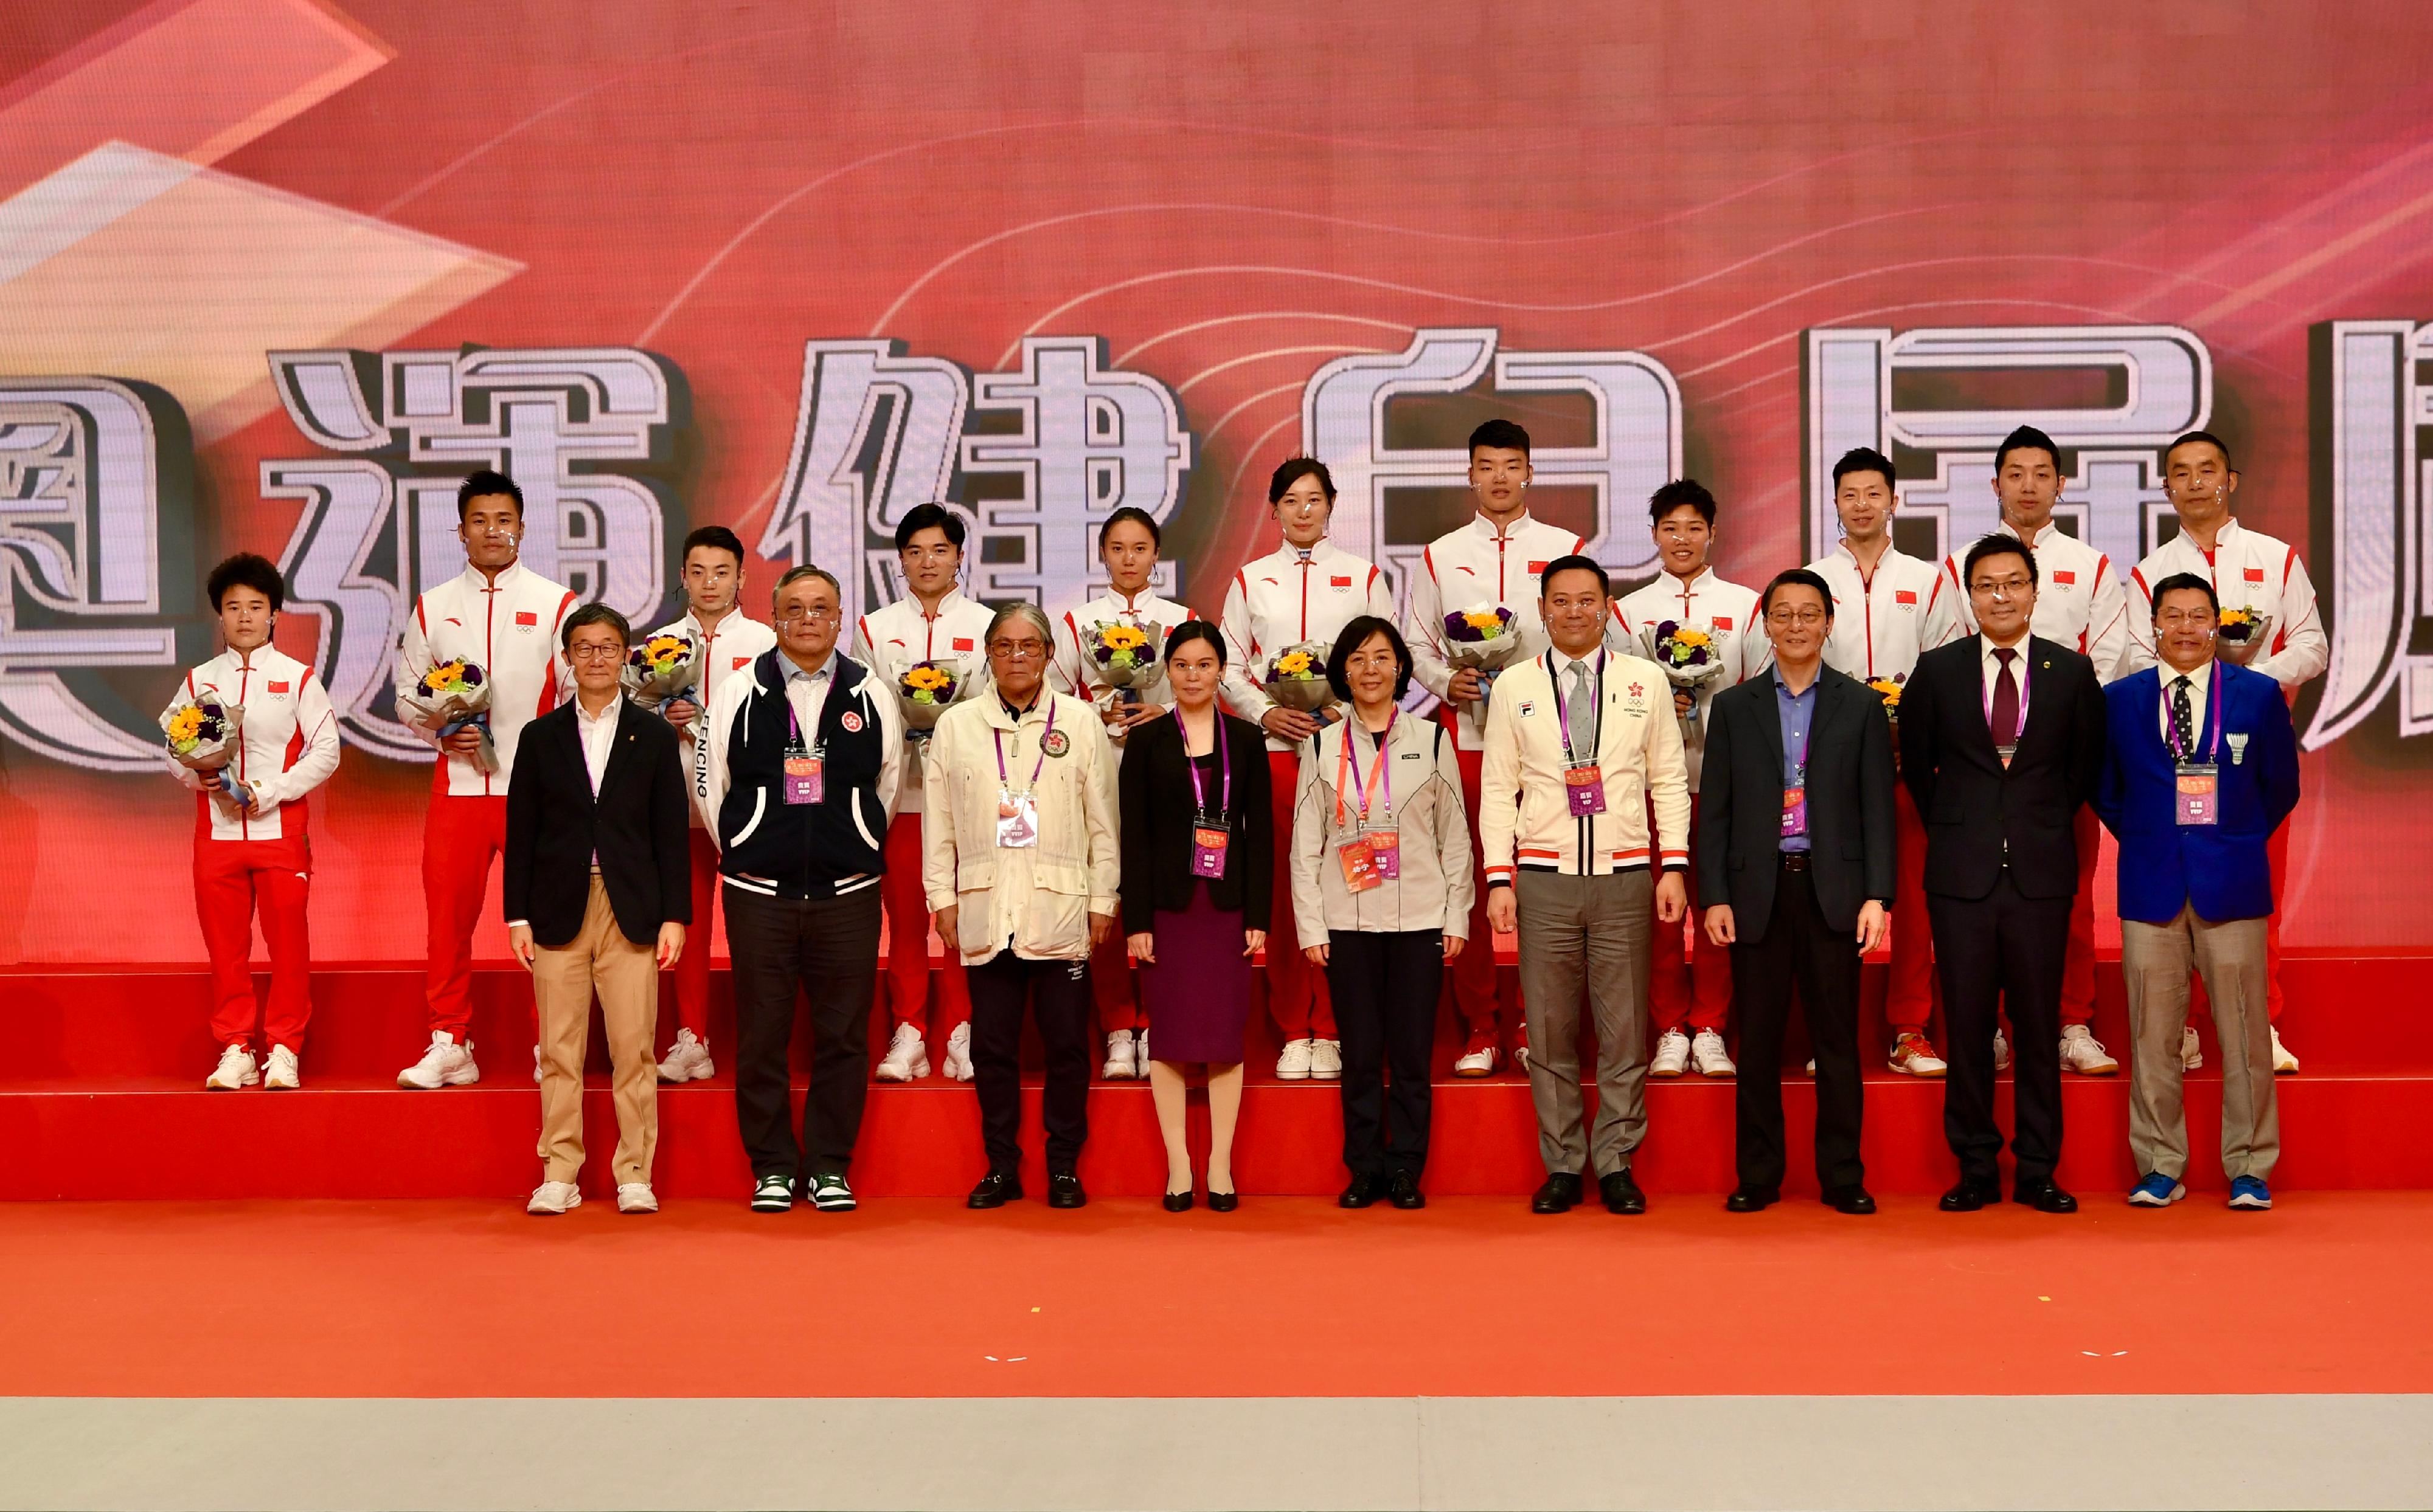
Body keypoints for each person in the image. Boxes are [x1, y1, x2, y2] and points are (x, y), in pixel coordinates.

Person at [1480, 556, 1691, 1216]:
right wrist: (1498, 877)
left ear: (1607, 607)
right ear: (1542, 609)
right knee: (1548, 1029)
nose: (1575, 611)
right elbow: (1496, 787)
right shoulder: (1514, 684)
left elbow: (1668, 777)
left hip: (1626, 875)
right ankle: (1564, 1162)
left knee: (1625, 1026)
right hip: (1542, 878)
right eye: (1561, 601)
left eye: (1588, 600)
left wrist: (1674, 865)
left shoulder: (1643, 680)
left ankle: (1617, 1160)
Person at [1903, 533, 2108, 1214]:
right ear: (1969, 594)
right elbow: (1919, 767)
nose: (2000, 595)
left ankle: (2039, 1169)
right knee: (1965, 1028)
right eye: (1986, 584)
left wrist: (2030, 824)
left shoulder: (2070, 673)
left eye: (2013, 582)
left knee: (2037, 1028)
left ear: (2034, 589)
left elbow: (2081, 771)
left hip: (2040, 877)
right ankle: (1975, 1167)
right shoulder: (1935, 671)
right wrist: (1968, 828)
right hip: (1960, 879)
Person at [695, 565, 903, 1213]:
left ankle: (830, 1165)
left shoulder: (871, 690)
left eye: (821, 608)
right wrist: (750, 842)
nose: (808, 618)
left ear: (839, 617)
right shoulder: (737, 690)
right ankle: (774, 1166)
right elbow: (710, 785)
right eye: (795, 608)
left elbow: (888, 784)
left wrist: (858, 839)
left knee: (844, 1035)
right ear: (775, 616)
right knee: (762, 1034)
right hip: (759, 894)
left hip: (848, 892)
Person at [2096, 574, 2299, 1212]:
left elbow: (2280, 787)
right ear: (2152, 625)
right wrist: (2155, 836)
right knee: (2151, 1033)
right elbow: (2105, 788)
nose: (2185, 627)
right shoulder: (2120, 699)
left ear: (2217, 623)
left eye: (2198, 615)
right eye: (2172, 615)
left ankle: (2248, 1166)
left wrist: (2230, 837)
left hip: (2232, 882)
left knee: (2243, 1030)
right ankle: (2159, 1163)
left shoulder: (2258, 695)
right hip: (2150, 881)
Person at [2123, 431, 2324, 1075]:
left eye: (2205, 470)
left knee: (2253, 885)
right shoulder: (2147, 572)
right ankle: (2181, 1027)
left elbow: (2312, 646)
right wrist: (2189, 672)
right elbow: (2130, 656)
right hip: (2168, 752)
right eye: (2179, 473)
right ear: (2166, 487)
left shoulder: (2276, 558)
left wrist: (2245, 682)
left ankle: (2256, 1021)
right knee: (2172, 890)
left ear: (2229, 479)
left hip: (2247, 750)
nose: (2194, 482)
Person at [1699, 570, 1894, 1215]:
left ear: (1829, 623)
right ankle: (1758, 1173)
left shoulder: (1861, 705)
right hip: (1757, 892)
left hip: (1832, 890)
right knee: (1755, 1041)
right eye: (1782, 614)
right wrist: (1714, 895)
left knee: (1836, 1040)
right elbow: (1716, 811)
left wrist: (1877, 895)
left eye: (1808, 614)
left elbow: (1877, 809)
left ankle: (1842, 1175)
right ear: (1764, 624)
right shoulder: (1733, 707)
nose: (1795, 626)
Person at [1940, 426, 2132, 1078]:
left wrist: (2062, 750)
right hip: (1977, 775)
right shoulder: (1958, 563)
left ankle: (2071, 1020)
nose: (2028, 485)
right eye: (2014, 473)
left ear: (2060, 483)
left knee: (2069, 896)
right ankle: (1989, 1026)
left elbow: (2108, 662)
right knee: (1977, 902)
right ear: (1994, 483)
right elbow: (1941, 660)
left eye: (2041, 473)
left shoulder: (2093, 566)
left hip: (2054, 770)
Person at [1403, 419, 1584, 1077]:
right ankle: (1481, 1024)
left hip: (1553, 743)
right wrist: (1444, 680)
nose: (1500, 477)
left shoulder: (1565, 546)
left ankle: (1540, 1016)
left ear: (1529, 471)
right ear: (1470, 473)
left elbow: (1586, 631)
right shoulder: (1440, 554)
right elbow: (1417, 643)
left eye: (1512, 465)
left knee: (1543, 881)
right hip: (1469, 740)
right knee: (1471, 880)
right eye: (1487, 465)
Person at [923, 602, 1120, 1210]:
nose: (1016, 656)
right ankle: (1001, 1165)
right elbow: (940, 823)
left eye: (1028, 646)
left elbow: (1103, 823)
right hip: (987, 909)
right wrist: (942, 896)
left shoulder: (1081, 721)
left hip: (1061, 907)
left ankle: (1063, 1166)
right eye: (1004, 646)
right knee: (992, 1047)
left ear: (1048, 655)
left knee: (1066, 1044)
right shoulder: (957, 724)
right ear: (988, 652)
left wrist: (1105, 896)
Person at [504, 605, 691, 1215]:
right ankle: (560, 1169)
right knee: (559, 1048)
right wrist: (516, 915)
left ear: (626, 654)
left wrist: (675, 915)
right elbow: (522, 830)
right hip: (557, 906)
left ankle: (635, 1170)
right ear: (568, 658)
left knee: (634, 1045)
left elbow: (671, 833)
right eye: (584, 648)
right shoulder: (540, 737)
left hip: (632, 907)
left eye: (608, 647)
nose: (596, 658)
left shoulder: (655, 735)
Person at [395, 470, 577, 1090]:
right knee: (447, 921)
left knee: (549, 922)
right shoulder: (434, 606)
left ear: (522, 527)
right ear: (461, 530)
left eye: (504, 519)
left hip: (538, 793)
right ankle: (450, 1039)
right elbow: (406, 695)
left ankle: (550, 1044)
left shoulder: (557, 603)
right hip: (459, 788)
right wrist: (440, 731)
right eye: (480, 520)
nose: (492, 531)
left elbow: (582, 692)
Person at [1217, 458, 1397, 1082]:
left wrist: (1342, 710)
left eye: (1313, 500)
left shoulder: (1363, 576)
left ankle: (1342, 1022)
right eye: (1290, 500)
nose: (1302, 511)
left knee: (1351, 880)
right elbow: (1229, 666)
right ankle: (1296, 1025)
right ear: (1273, 510)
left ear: (1330, 505)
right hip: (1275, 756)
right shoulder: (1250, 580)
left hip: (1348, 751)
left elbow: (1385, 657)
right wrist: (1267, 713)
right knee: (1288, 888)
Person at [1292, 617, 1473, 1210]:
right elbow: (1305, 846)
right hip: (1348, 922)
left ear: (1400, 667)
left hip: (1419, 918)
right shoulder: (1319, 745)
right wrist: (1312, 926)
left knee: (1412, 1054)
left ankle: (1406, 1169)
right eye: (1358, 659)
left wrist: (1456, 917)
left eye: (1382, 657)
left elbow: (1455, 837)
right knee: (1362, 1053)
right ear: (1341, 671)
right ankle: (1364, 1167)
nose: (1371, 669)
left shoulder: (1432, 738)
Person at [1805, 446, 1960, 1077]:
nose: (1862, 504)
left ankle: (1910, 1028)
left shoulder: (1927, 580)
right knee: (1833, 898)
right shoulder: (1812, 580)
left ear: (1894, 500)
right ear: (1835, 502)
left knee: (1918, 901)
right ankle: (1832, 1034)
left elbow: (1948, 667)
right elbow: (1792, 668)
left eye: (1874, 492)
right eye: (1850, 493)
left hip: (1912, 765)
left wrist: (1910, 729)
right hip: (1832, 767)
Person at [1612, 479, 1771, 1080]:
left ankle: (1709, 1026)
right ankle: (1668, 1028)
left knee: (1716, 908)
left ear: (1712, 532)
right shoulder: (1628, 612)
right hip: (1652, 790)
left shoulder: (1746, 604)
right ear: (1654, 534)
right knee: (1659, 911)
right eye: (1670, 528)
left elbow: (1758, 692)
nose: (1682, 539)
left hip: (1723, 786)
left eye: (1693, 527)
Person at [169, 553, 341, 1091]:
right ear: (219, 617)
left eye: (256, 607)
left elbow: (327, 750)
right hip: (216, 836)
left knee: (288, 946)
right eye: (233, 607)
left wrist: (269, 792)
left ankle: (285, 1047)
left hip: (280, 834)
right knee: (225, 948)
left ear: (274, 615)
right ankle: (235, 1048)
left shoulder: (297, 678)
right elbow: (173, 750)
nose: (245, 616)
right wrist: (199, 778)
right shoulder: (199, 681)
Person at [1119, 622, 1269, 1211]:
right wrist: (1137, 920)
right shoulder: (1148, 741)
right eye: (1181, 665)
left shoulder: (1246, 738)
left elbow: (1260, 836)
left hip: (1228, 907)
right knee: (1173, 1037)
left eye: (1204, 665)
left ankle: (1220, 1164)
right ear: (1167, 670)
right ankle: (1180, 1165)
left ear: (1221, 670)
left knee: (1224, 1037)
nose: (1192, 675)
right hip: (1168, 907)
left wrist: (1259, 913)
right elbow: (1134, 836)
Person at [1049, 505, 1195, 1081]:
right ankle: (1116, 1025)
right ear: (1102, 553)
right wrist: (1096, 708)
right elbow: (1053, 696)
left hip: (1166, 764)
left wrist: (1169, 710)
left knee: (1163, 889)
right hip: (1099, 767)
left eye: (1140, 548)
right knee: (1103, 892)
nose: (1129, 558)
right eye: (1117, 548)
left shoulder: (1182, 618)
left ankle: (1161, 1016)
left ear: (1156, 554)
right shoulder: (1077, 621)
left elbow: (1201, 682)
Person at [852, 503, 996, 1083]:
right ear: (900, 562)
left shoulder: (989, 626)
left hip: (970, 801)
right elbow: (863, 711)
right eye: (914, 552)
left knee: (965, 918)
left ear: (960, 556)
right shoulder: (874, 629)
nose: (927, 562)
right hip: (901, 799)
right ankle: (909, 1030)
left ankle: (963, 1029)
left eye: (939, 550)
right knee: (907, 920)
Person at [647, 524, 778, 1084]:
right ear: (682, 577)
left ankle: (760, 1041)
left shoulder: (767, 646)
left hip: (749, 811)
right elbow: (627, 716)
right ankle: (691, 1039)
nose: (709, 583)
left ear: (741, 578)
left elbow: (781, 725)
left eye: (721, 572)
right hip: (676, 809)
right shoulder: (657, 645)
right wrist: (662, 717)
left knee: (757, 931)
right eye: (697, 572)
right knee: (686, 927)